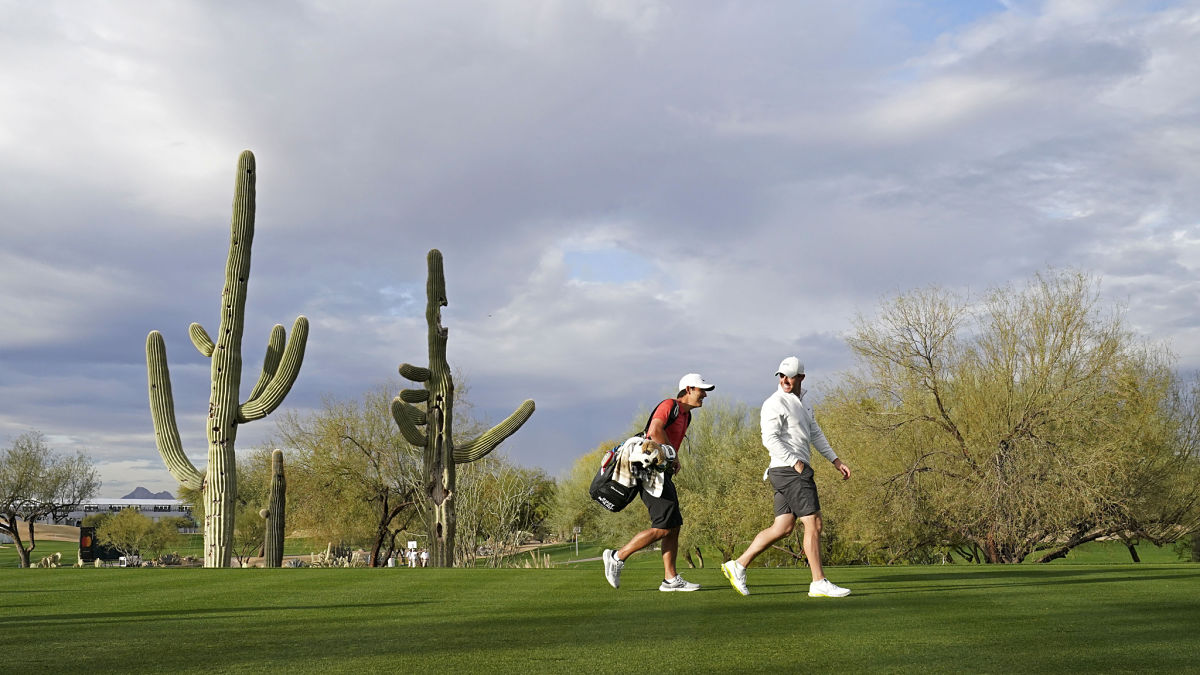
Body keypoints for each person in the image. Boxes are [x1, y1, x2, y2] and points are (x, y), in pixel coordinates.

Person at [721, 357, 852, 597]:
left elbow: (815, 433)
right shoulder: (774, 402)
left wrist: (836, 461)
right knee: (814, 523)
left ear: (801, 377)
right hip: (789, 470)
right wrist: (796, 463)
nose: (784, 380)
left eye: (789, 376)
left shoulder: (804, 403)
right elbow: (769, 439)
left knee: (783, 527)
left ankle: (738, 565)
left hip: (785, 471)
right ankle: (818, 582)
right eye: (781, 376)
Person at [602, 373, 715, 592]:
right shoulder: (670, 405)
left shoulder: (687, 416)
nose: (704, 395)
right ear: (689, 389)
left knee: (674, 526)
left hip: (662, 473)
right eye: (702, 390)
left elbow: (667, 443)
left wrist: (674, 458)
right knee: (663, 527)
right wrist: (671, 454)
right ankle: (617, 556)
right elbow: (654, 431)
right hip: (649, 473)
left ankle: (670, 579)